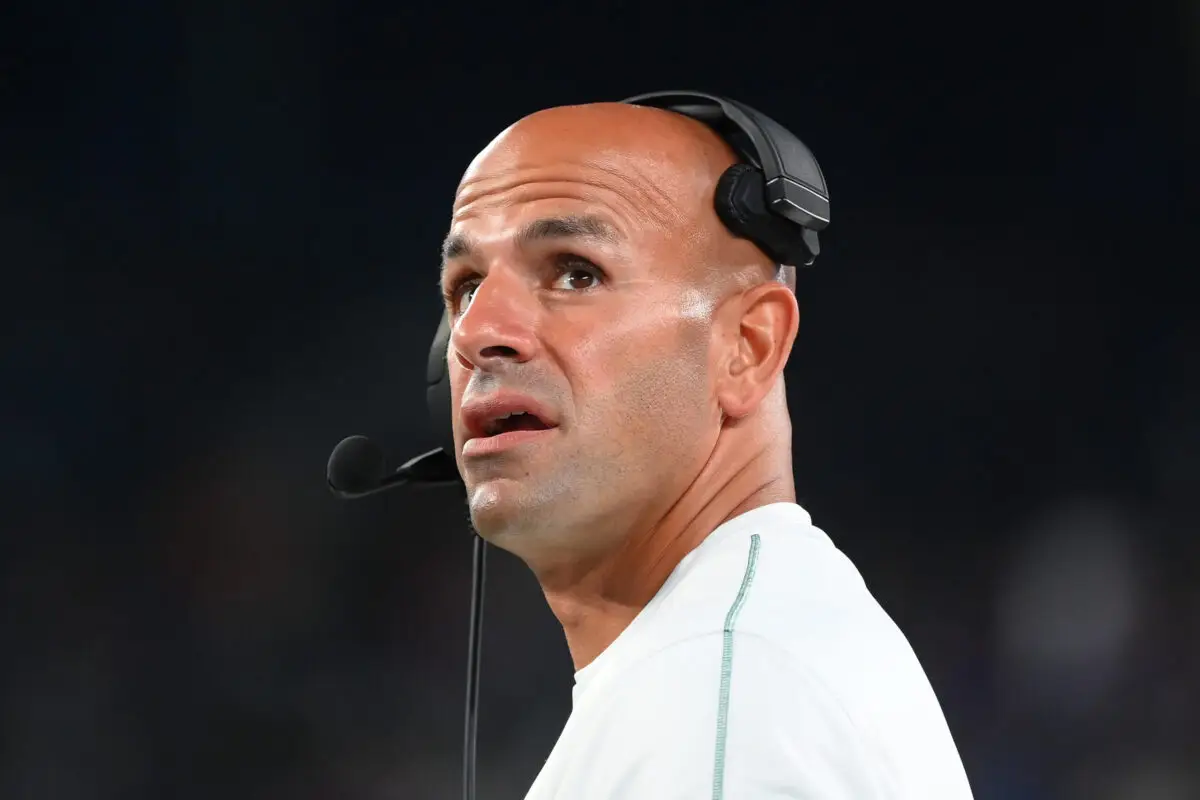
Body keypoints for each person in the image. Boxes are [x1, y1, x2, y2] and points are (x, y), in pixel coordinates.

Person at [438, 99, 975, 799]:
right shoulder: (724, 661)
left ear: (747, 349)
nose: (477, 332)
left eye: (576, 272)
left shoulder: (725, 692)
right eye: (467, 285)